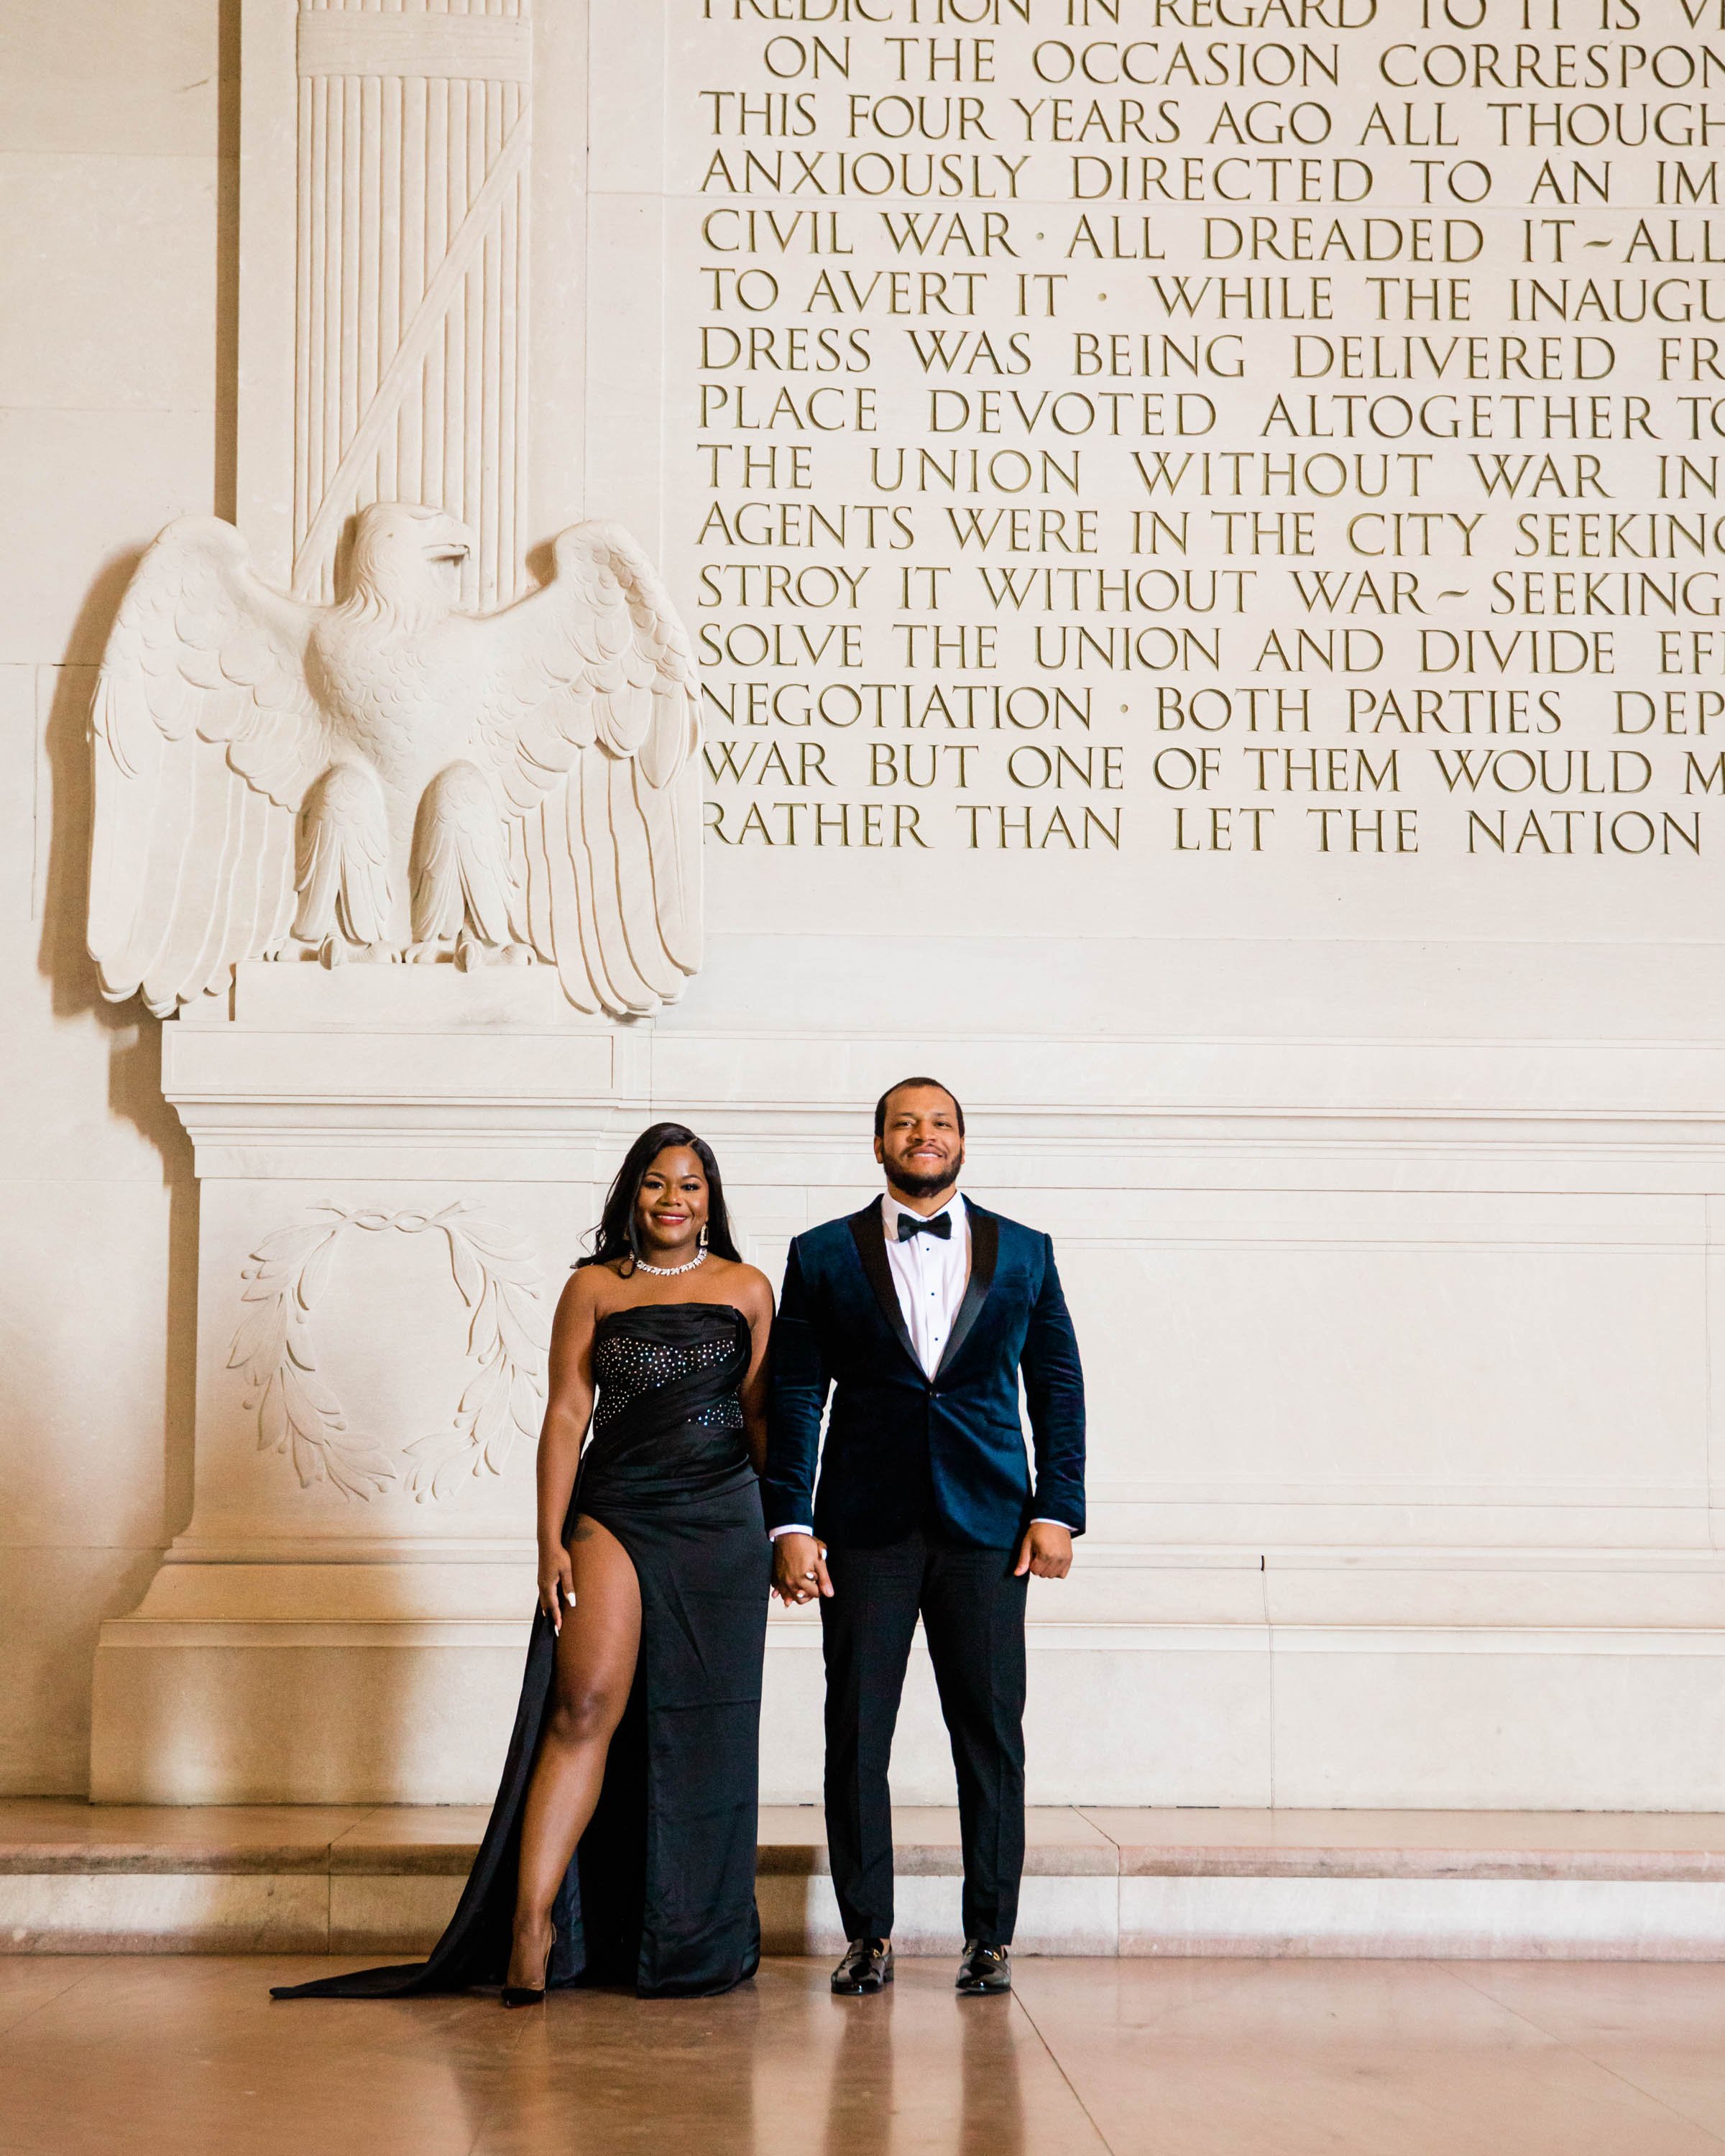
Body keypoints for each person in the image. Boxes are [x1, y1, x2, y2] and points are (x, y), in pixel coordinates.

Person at [272, 1124, 776, 2005]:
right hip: (617, 1510)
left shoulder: (749, 1288)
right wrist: (549, 1539)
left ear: (711, 1198)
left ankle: (690, 1933)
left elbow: (763, 1417)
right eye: (656, 1184)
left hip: (723, 1520)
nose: (672, 1200)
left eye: (690, 1186)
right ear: (631, 1195)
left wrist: (786, 1532)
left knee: (707, 1728)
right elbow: (563, 1414)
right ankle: (531, 1921)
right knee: (583, 1705)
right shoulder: (591, 1288)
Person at [763, 1077, 1085, 1999]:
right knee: (856, 1732)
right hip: (862, 1531)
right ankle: (868, 1934)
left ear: (963, 1141)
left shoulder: (1025, 1251)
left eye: (940, 1122)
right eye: (905, 1122)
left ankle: (990, 1936)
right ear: (878, 1145)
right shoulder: (821, 1254)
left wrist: (1057, 1509)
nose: (924, 1134)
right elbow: (795, 1392)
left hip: (991, 1530)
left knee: (988, 1733)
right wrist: (790, 1521)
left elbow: (1057, 1385)